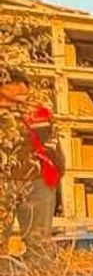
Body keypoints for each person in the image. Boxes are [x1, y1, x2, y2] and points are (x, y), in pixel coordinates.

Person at [0, 67, 62, 258]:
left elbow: (51, 144)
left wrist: (54, 179)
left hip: (37, 181)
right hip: (4, 182)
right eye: (15, 83)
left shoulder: (37, 110)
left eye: (24, 83)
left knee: (40, 242)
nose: (21, 88)